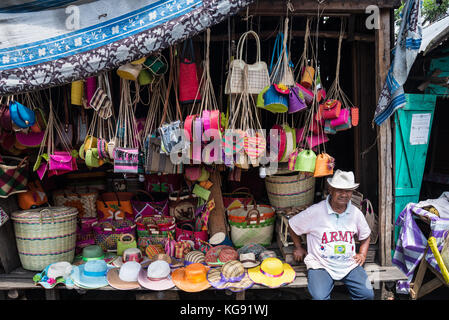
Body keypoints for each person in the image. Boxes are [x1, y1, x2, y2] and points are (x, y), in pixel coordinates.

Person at [288, 169, 374, 300]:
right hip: (320, 264)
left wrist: (362, 254)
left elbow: (366, 235)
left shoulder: (355, 213)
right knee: (319, 297)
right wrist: (298, 247)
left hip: (348, 264)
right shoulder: (315, 211)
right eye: (339, 190)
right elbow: (293, 225)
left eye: (348, 191)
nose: (344, 194)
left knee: (367, 295)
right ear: (331, 190)